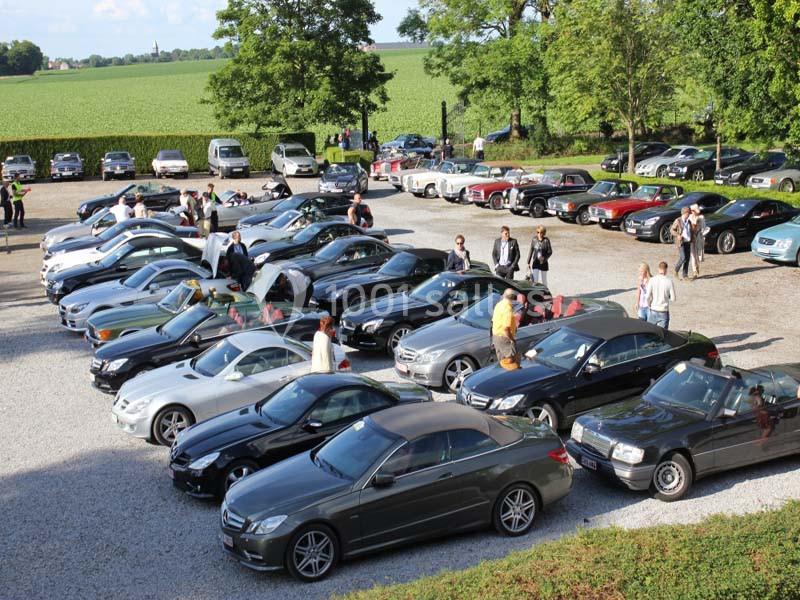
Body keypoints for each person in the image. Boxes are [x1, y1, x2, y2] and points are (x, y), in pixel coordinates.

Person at [491, 288, 519, 370]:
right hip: (504, 339)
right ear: (513, 298)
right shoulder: (508, 309)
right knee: (511, 362)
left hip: (496, 337)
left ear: (504, 295)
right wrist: (512, 339)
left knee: (502, 362)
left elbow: (493, 321)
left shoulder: (499, 305)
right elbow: (506, 328)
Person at [646, 261, 676, 329]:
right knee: (663, 335)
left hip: (653, 309)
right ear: (666, 270)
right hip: (663, 310)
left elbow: (647, 296)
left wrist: (649, 304)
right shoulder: (669, 281)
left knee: (649, 332)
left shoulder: (652, 280)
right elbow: (673, 299)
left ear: (658, 269)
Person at [670, 206, 693, 280]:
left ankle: (685, 275)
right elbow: (672, 230)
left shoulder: (689, 221)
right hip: (681, 242)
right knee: (683, 257)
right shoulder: (678, 220)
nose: (689, 215)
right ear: (685, 213)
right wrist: (678, 235)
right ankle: (676, 270)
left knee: (687, 258)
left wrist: (692, 238)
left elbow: (690, 231)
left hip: (688, 241)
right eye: (689, 213)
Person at [689, 203, 705, 279]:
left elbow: (704, 228)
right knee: (692, 254)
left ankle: (697, 267)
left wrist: (701, 234)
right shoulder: (689, 217)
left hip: (698, 237)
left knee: (698, 255)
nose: (694, 212)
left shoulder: (701, 218)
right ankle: (694, 271)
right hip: (691, 237)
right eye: (693, 211)